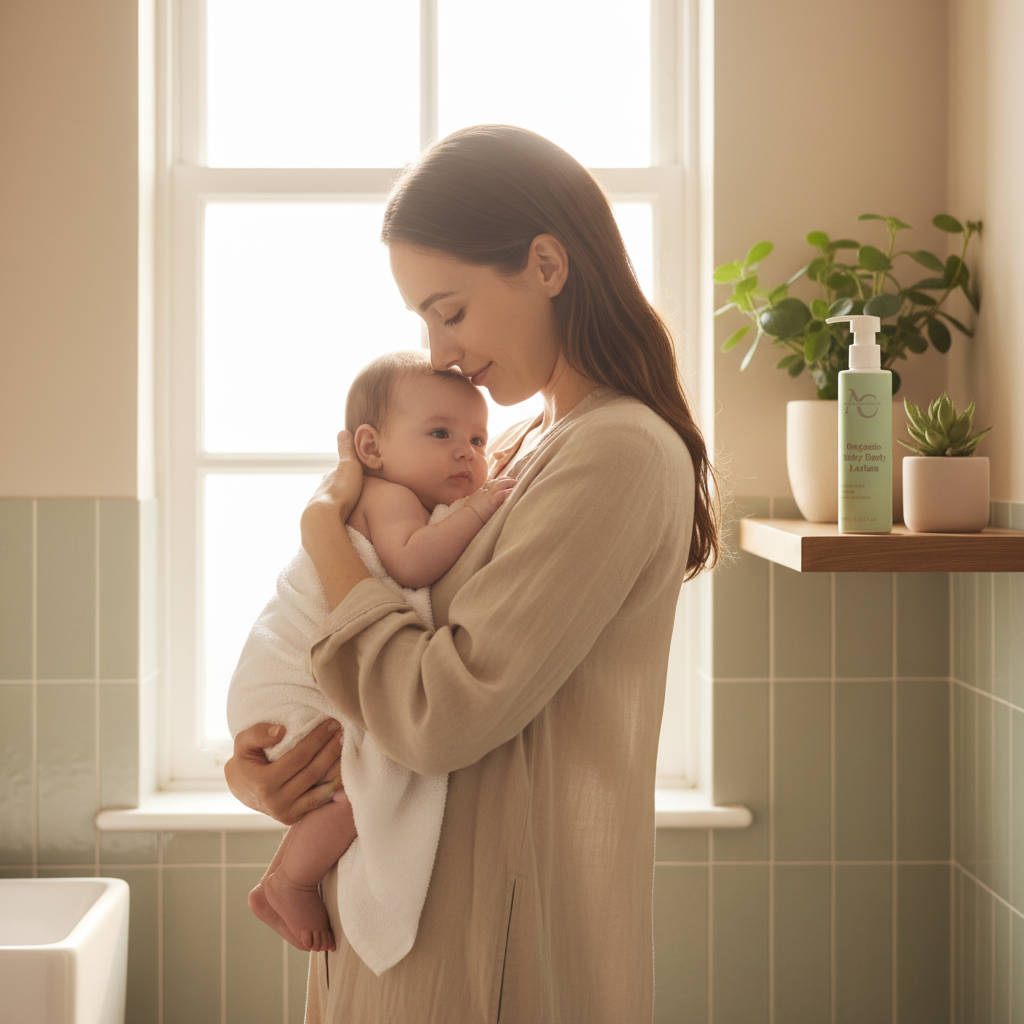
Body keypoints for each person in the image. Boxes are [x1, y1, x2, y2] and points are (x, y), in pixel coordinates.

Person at [226, 124, 719, 1023]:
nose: (440, 351)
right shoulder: (527, 446)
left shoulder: (617, 451)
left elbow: (435, 713)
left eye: (448, 310)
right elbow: (386, 677)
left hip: (483, 954)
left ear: (545, 263)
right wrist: (268, 772)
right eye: (423, 319)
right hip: (414, 927)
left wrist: (321, 531)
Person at [227, 349, 514, 959]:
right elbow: (413, 561)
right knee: (367, 780)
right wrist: (481, 507)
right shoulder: (388, 498)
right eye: (441, 434)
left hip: (292, 682)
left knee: (363, 775)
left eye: (478, 438)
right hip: (291, 685)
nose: (468, 451)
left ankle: (285, 876)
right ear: (371, 447)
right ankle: (288, 881)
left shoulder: (394, 497)